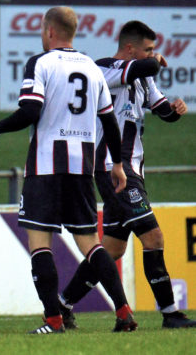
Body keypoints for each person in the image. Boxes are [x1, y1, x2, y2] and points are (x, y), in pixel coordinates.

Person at [0, 7, 136, 334]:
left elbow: (30, 110)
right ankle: (124, 313)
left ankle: (53, 320)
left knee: (40, 243)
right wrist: (118, 164)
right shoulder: (92, 68)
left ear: (49, 31)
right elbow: (109, 119)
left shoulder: (41, 62)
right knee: (91, 243)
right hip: (83, 167)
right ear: (72, 32)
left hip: (46, 166)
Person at [58, 20, 196, 330]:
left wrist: (175, 109)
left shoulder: (142, 77)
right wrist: (152, 63)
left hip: (131, 169)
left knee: (112, 249)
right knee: (153, 236)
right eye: (148, 50)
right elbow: (136, 70)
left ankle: (62, 305)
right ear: (130, 48)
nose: (153, 55)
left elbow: (161, 108)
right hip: (113, 167)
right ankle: (170, 314)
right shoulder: (104, 69)